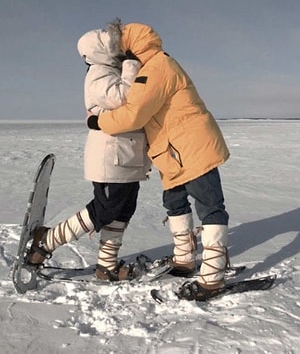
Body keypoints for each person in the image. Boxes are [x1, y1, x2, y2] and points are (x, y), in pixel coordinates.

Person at [87, 22, 231, 301]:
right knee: (174, 203)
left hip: (192, 146)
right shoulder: (150, 67)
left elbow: (134, 114)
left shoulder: (158, 67)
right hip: (171, 152)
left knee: (210, 205)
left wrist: (98, 121)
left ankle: (213, 276)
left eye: (121, 49)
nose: (119, 56)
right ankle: (185, 260)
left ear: (131, 46)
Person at [26, 19, 151, 281]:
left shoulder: (111, 71)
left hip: (128, 157)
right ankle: (45, 241)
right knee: (104, 211)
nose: (120, 50)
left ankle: (106, 266)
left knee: (124, 210)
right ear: (100, 51)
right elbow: (125, 98)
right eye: (114, 46)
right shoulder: (98, 74)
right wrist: (131, 65)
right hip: (111, 158)